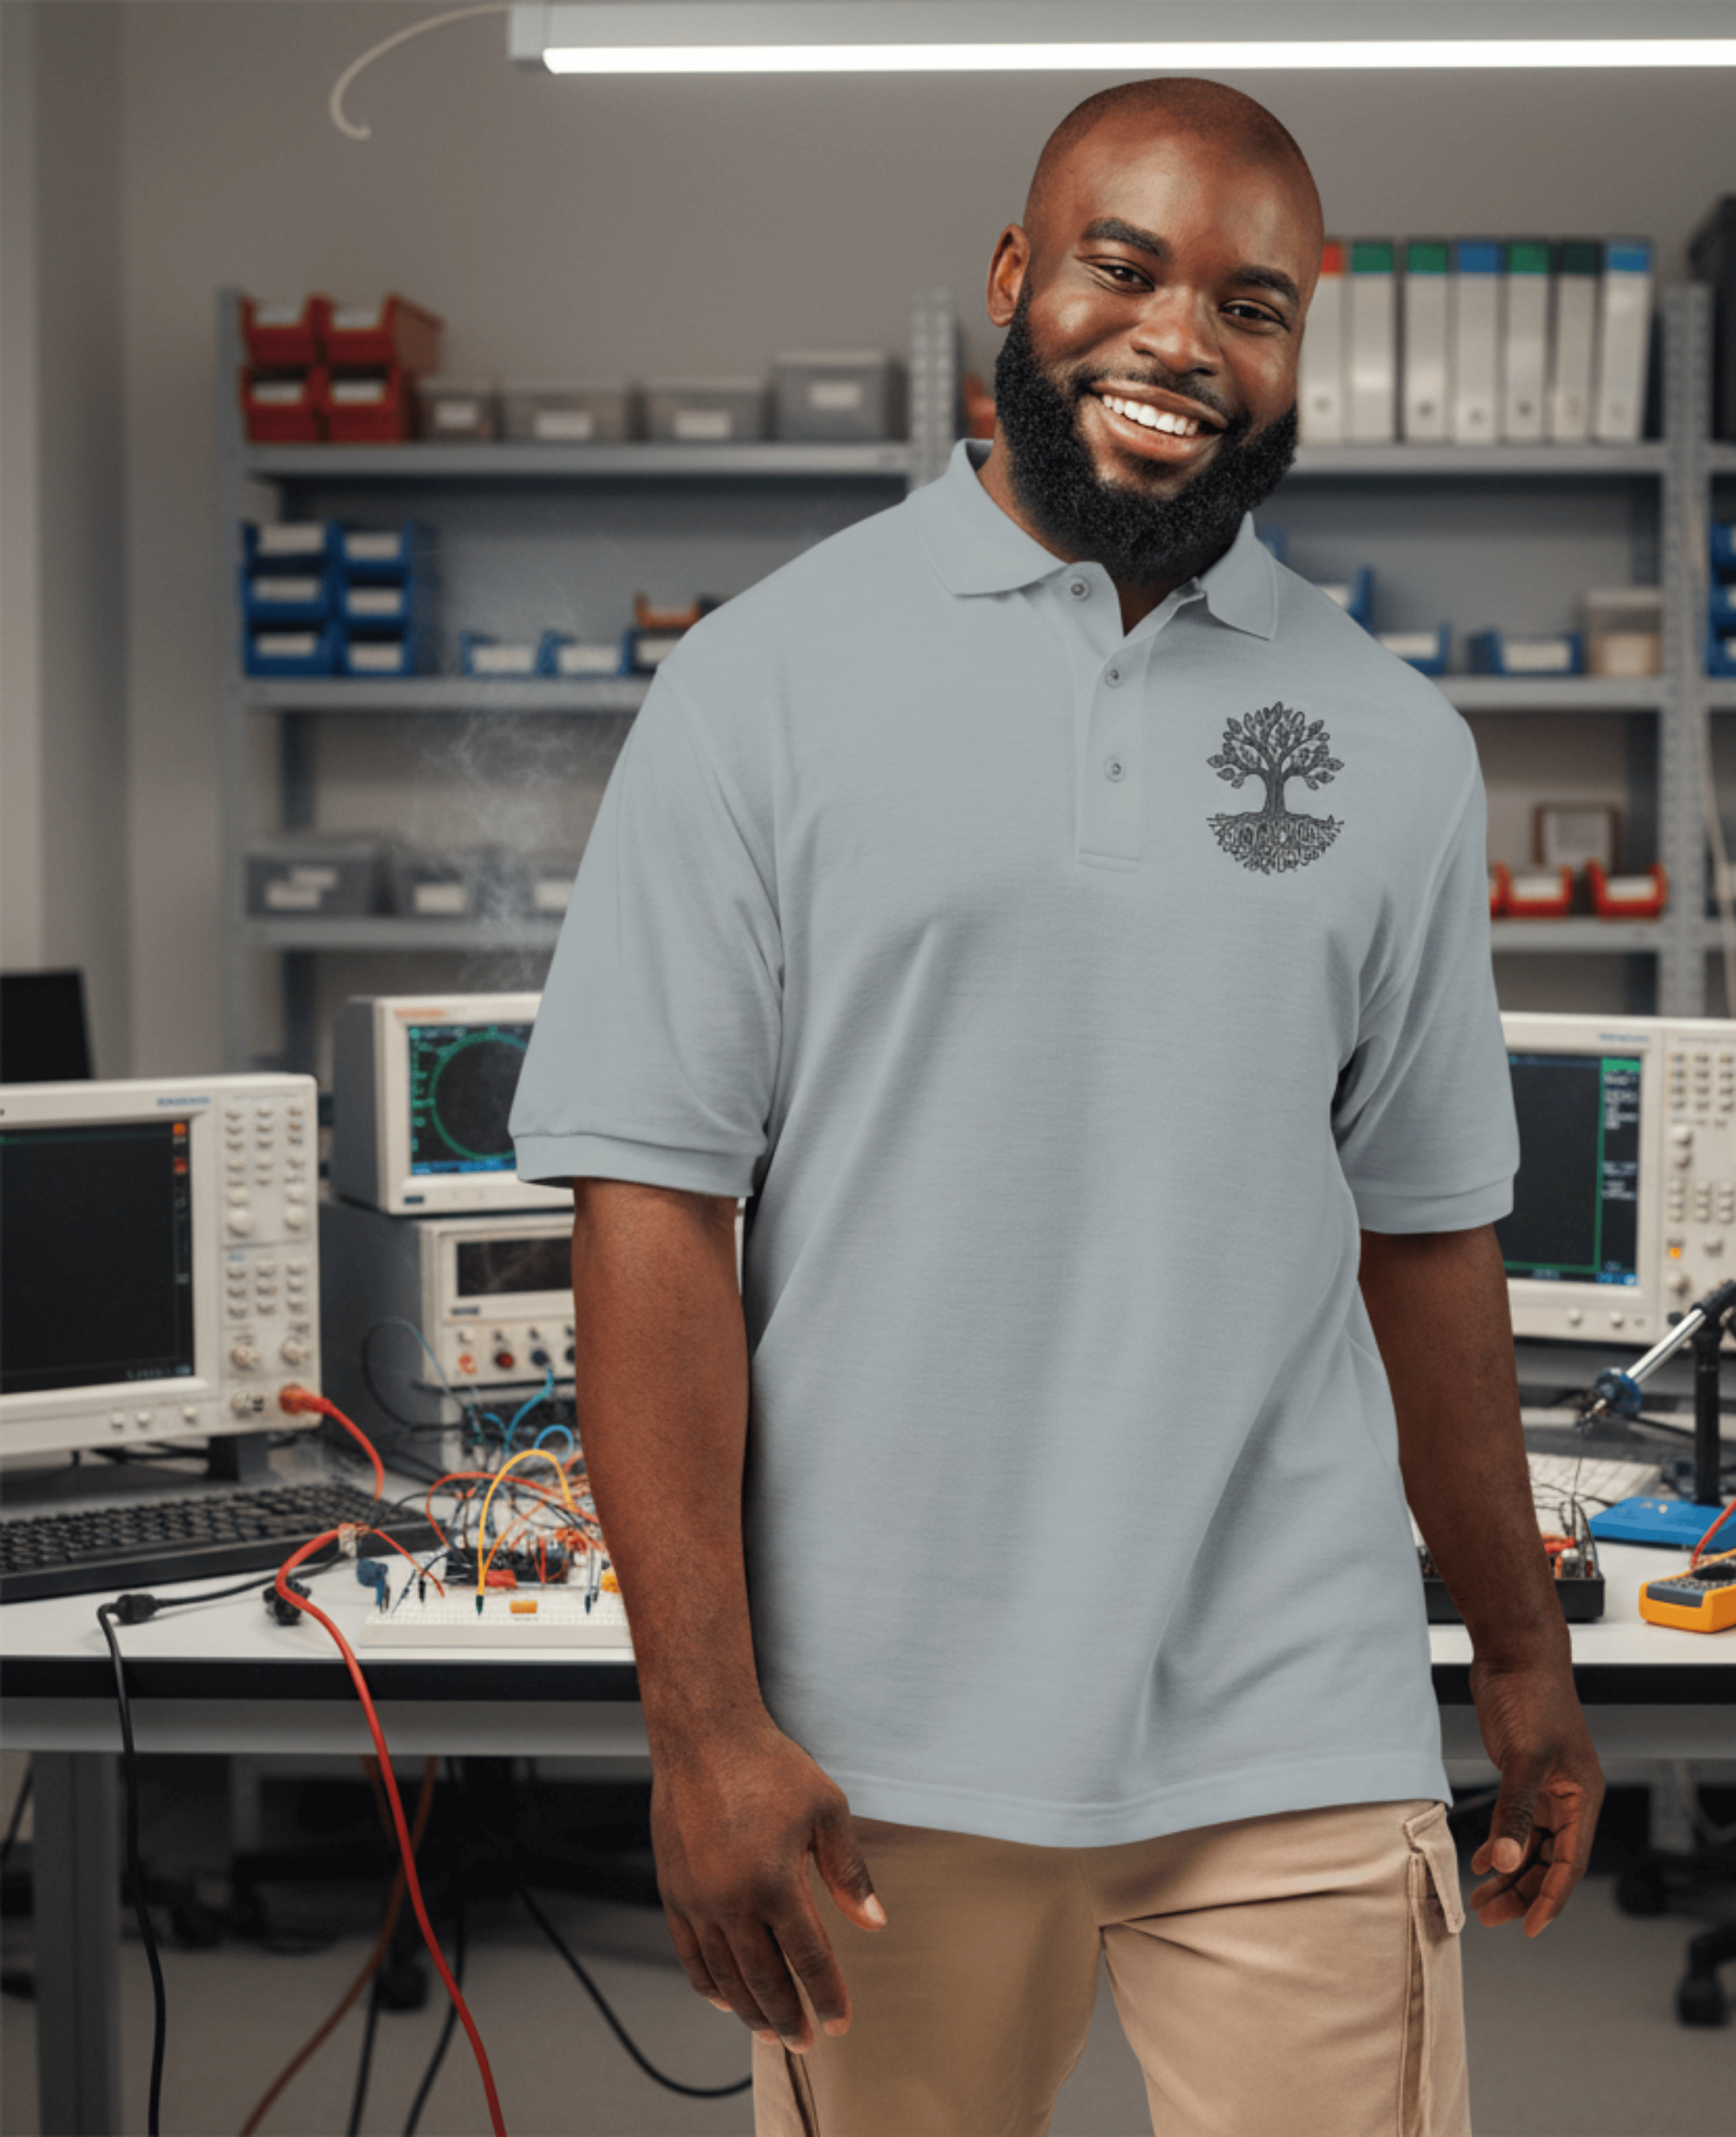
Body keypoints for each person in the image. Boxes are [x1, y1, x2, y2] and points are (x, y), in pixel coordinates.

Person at [510, 75, 1603, 2137]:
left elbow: (1431, 1233)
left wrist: (1525, 1662)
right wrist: (702, 1725)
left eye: (1253, 304)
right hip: (881, 1740)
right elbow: (655, 1212)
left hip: (1297, 1714)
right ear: (1016, 281)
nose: (1184, 337)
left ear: (1300, 354)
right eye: (1128, 265)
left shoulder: (1391, 742)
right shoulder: (763, 683)